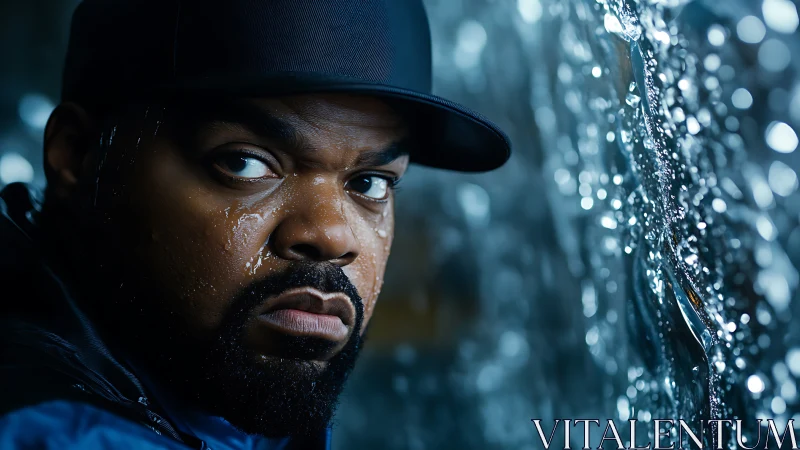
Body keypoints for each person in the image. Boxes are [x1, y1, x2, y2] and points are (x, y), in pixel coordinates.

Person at [0, 0, 510, 448]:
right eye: (245, 163)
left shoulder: (202, 387)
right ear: (79, 156)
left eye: (370, 184)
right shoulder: (47, 431)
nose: (333, 235)